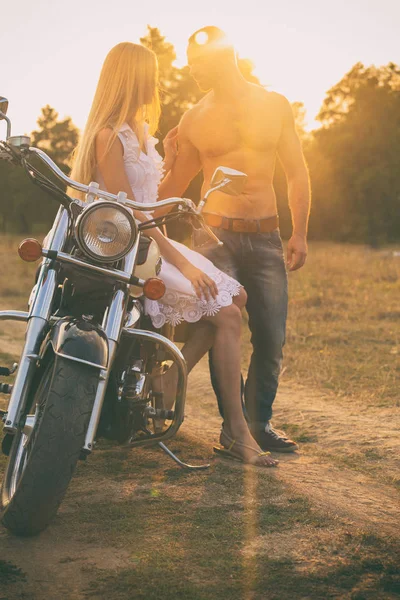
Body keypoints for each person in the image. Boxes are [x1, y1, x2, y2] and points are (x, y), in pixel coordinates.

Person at [70, 42, 278, 467]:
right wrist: (181, 260)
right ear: (131, 77)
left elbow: (153, 201)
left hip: (155, 242)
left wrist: (170, 161)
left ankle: (166, 381)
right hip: (135, 252)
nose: (156, 82)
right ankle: (237, 432)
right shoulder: (109, 137)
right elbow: (132, 215)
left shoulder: (139, 133)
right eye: (150, 74)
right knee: (227, 313)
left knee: (233, 300)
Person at [158, 26, 311, 453]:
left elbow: (296, 171)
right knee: (222, 323)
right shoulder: (195, 117)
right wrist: (168, 162)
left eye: (198, 63)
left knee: (271, 336)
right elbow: (174, 186)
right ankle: (235, 430)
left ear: (225, 57)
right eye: (189, 65)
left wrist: (299, 231)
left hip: (266, 236)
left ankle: (258, 424)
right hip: (214, 235)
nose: (193, 72)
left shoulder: (274, 104)